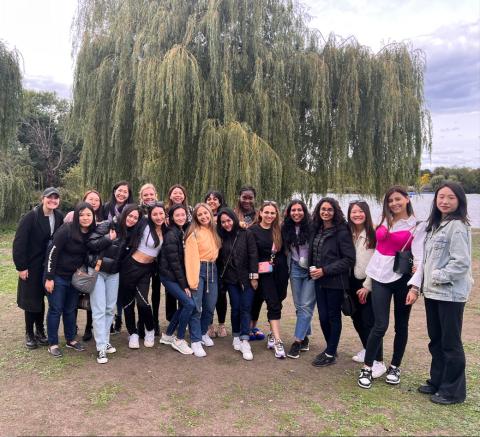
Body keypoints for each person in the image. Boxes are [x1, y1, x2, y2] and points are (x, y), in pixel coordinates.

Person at [358, 185, 426, 389]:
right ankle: (368, 367)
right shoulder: (384, 220)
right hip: (379, 277)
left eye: (398, 199)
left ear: (407, 199)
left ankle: (395, 367)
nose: (394, 203)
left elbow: (419, 257)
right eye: (390, 200)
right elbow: (377, 250)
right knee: (379, 325)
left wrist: (415, 287)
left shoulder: (416, 225)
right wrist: (368, 283)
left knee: (401, 325)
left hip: (402, 279)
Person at [417, 182, 472, 405]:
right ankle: (437, 381)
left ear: (459, 201)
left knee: (450, 342)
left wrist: (436, 275)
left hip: (450, 294)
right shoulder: (437, 225)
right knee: (436, 340)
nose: (445, 201)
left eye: (451, 197)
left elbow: (461, 263)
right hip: (433, 293)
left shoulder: (457, 226)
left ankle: (452, 391)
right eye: (441, 197)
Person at [85, 204, 140, 364]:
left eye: (135, 218)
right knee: (99, 309)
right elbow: (90, 243)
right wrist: (108, 239)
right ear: (124, 214)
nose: (132, 219)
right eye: (130, 216)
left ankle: (105, 340)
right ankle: (101, 347)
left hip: (114, 274)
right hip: (98, 271)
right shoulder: (107, 225)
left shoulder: (131, 234)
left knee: (110, 308)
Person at [13, 187, 64, 350]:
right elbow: (19, 243)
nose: (53, 200)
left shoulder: (59, 217)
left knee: (42, 300)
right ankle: (29, 333)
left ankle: (40, 332)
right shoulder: (31, 217)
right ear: (43, 199)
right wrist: (21, 267)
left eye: (56, 198)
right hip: (32, 266)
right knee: (31, 300)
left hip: (49, 266)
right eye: (50, 197)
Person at [44, 202, 96, 358]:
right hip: (57, 276)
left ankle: (70, 339)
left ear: (93, 216)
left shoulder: (91, 233)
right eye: (81, 215)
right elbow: (52, 252)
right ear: (76, 216)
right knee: (56, 309)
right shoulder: (66, 229)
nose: (85, 218)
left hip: (74, 278)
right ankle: (53, 344)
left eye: (89, 215)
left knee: (70, 309)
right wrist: (49, 277)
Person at [309, 197, 356, 367]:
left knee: (333, 317)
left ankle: (330, 353)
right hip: (319, 280)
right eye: (323, 209)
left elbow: (349, 259)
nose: (326, 212)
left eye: (329, 209)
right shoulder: (317, 228)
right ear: (318, 211)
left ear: (335, 211)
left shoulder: (341, 231)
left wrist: (325, 270)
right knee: (323, 317)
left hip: (335, 281)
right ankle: (331, 348)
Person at [347, 200, 386, 378]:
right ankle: (367, 348)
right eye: (353, 212)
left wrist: (367, 286)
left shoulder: (374, 232)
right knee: (356, 318)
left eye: (360, 211)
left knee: (370, 321)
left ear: (367, 213)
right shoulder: (348, 232)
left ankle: (378, 360)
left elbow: (379, 260)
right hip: (351, 281)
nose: (357, 215)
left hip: (368, 282)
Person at [120, 202, 165, 349]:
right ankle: (132, 333)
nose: (158, 217)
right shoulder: (144, 223)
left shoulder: (166, 228)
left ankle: (150, 330)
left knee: (142, 302)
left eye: (161, 213)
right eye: (155, 214)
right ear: (150, 215)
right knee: (128, 302)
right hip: (130, 266)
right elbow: (126, 220)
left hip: (146, 270)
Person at [217, 208, 258, 360]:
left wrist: (254, 277)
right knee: (235, 307)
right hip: (231, 279)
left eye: (229, 220)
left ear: (234, 219)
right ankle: (236, 335)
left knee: (246, 307)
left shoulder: (246, 233)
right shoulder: (220, 236)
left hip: (246, 278)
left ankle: (245, 339)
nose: (227, 224)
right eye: (223, 222)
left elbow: (253, 255)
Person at [249, 201, 289, 359]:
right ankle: (278, 341)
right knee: (272, 303)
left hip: (280, 272)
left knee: (278, 301)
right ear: (260, 213)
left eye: (273, 213)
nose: (269, 215)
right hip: (264, 273)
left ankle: (272, 334)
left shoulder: (280, 229)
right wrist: (253, 276)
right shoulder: (253, 231)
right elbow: (251, 255)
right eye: (266, 212)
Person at [65, 189, 104, 342]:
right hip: (75, 264)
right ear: (84, 200)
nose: (93, 202)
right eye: (90, 199)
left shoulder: (101, 219)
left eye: (96, 200)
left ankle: (89, 327)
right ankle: (72, 326)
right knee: (74, 296)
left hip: (91, 263)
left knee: (90, 296)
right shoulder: (72, 216)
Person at [184, 203, 222, 357]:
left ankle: (203, 331)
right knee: (196, 307)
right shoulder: (193, 233)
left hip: (212, 268)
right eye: (199, 214)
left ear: (210, 214)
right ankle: (195, 339)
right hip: (198, 269)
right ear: (196, 217)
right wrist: (193, 281)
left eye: (205, 213)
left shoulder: (214, 231)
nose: (203, 216)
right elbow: (190, 259)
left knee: (210, 305)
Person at [159, 204, 197, 355]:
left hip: (175, 276)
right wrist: (184, 285)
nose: (181, 217)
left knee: (184, 305)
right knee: (189, 304)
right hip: (169, 276)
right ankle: (179, 340)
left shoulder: (181, 231)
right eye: (177, 215)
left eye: (183, 214)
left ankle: (168, 335)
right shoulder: (171, 234)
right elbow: (174, 263)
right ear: (172, 218)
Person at [281, 200, 315, 359]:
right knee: (298, 305)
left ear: (304, 211)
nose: (296, 213)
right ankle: (305, 337)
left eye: (299, 210)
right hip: (295, 267)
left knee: (306, 305)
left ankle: (297, 341)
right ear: (289, 212)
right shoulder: (286, 227)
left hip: (311, 269)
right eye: (293, 210)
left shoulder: (313, 226)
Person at [164, 184, 193, 322]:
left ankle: (182, 317)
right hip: (170, 251)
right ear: (170, 195)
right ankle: (171, 318)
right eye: (175, 193)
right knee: (171, 290)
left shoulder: (190, 210)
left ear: (184, 195)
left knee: (183, 288)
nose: (178, 195)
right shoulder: (164, 210)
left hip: (185, 251)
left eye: (180, 193)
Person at [204, 190, 229, 338]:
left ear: (220, 202)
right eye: (209, 199)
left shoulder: (224, 216)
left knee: (221, 293)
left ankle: (221, 324)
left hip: (222, 260)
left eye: (215, 199)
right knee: (208, 293)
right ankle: (209, 324)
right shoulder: (202, 215)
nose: (212, 201)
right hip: (207, 259)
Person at [138, 183, 162, 336]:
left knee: (156, 292)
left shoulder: (160, 210)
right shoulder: (138, 212)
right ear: (141, 197)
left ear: (155, 195)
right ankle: (141, 322)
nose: (148, 197)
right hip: (142, 260)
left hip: (158, 260)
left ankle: (155, 320)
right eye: (145, 195)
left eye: (151, 194)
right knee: (142, 293)